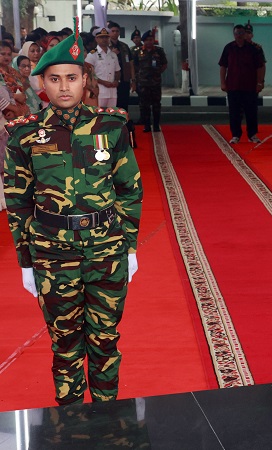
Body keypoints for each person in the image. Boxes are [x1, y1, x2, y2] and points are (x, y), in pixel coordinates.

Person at [3, 26, 143, 405]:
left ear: (85, 80)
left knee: (105, 342)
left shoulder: (111, 127)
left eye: (71, 78)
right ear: (40, 84)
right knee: (65, 347)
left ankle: (107, 421)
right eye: (53, 79)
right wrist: (25, 262)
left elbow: (130, 189)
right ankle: (70, 424)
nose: (63, 87)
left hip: (106, 251)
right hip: (52, 254)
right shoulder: (24, 136)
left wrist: (129, 248)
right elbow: (18, 203)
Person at [219, 24, 266, 144]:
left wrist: (260, 83)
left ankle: (252, 135)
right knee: (234, 111)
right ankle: (235, 135)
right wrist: (223, 82)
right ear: (234, 34)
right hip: (233, 86)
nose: (239, 36)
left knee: (251, 111)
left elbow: (260, 67)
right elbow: (223, 66)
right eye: (237, 33)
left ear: (245, 34)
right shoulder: (228, 48)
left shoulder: (253, 49)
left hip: (250, 86)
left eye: (241, 33)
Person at [132, 30, 167, 132]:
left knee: (156, 105)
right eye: (146, 40)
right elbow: (134, 65)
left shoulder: (159, 51)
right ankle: (146, 125)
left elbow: (164, 64)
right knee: (144, 105)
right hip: (143, 83)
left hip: (155, 83)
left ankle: (156, 126)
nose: (149, 42)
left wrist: (157, 73)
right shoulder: (138, 51)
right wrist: (138, 77)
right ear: (143, 41)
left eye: (150, 40)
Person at [85, 27, 121, 108]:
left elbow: (117, 71)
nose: (104, 39)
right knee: (98, 116)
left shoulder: (113, 55)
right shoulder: (92, 55)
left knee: (110, 116)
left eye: (106, 37)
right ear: (96, 39)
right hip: (99, 91)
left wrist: (116, 80)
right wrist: (103, 82)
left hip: (112, 91)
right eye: (101, 37)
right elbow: (88, 73)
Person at [107, 22, 133, 113]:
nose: (115, 33)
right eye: (112, 31)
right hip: (110, 80)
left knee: (124, 103)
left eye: (117, 31)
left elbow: (130, 63)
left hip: (124, 79)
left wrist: (132, 79)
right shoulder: (105, 47)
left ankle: (124, 123)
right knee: (112, 104)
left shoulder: (124, 46)